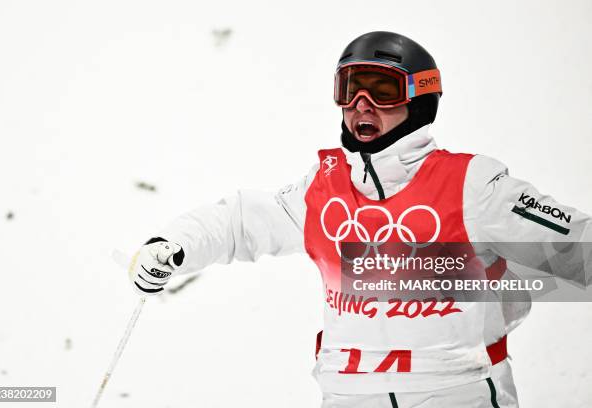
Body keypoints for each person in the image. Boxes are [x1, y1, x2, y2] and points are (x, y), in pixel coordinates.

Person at [127, 32, 592, 407]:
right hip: (350, 395)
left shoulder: (470, 184)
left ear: (420, 101)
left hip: (456, 394)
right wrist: (173, 244)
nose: (361, 103)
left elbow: (577, 248)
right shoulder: (324, 189)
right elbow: (242, 221)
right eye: (349, 89)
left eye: (382, 89)